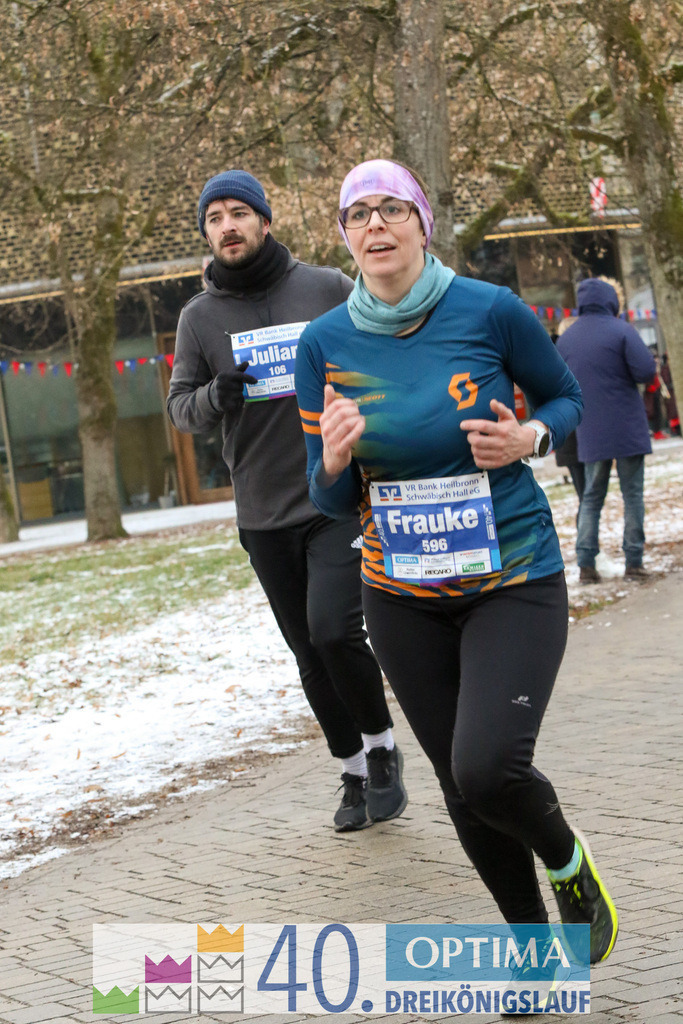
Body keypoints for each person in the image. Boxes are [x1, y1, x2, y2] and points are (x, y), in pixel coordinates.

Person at [295, 158, 618, 968]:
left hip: (510, 577)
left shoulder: (489, 311)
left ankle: (569, 865)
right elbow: (328, 500)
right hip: (399, 595)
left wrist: (528, 438)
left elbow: (565, 398)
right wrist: (331, 465)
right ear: (344, 236)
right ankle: (532, 950)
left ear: (421, 222)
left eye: (390, 209)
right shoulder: (323, 344)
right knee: (456, 782)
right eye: (357, 214)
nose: (374, 226)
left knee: (487, 766)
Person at [167, 169, 408, 832]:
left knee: (335, 630)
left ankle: (385, 752)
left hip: (332, 497)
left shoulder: (326, 287)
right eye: (214, 217)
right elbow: (180, 410)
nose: (227, 226)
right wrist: (216, 397)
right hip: (261, 511)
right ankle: (353, 768)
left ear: (264, 221)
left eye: (237, 213)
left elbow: (382, 352)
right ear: (207, 234)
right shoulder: (198, 318)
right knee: (307, 651)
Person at [557, 277, 656, 583]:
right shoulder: (622, 330)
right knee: (633, 495)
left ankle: (586, 563)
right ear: (611, 300)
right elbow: (646, 370)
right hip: (627, 426)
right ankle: (634, 561)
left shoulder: (567, 339)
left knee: (591, 497)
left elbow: (556, 381)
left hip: (589, 428)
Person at [553, 317, 585, 509]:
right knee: (588, 497)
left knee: (584, 495)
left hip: (569, 436)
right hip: (576, 435)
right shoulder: (573, 358)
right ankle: (586, 537)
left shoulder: (553, 357)